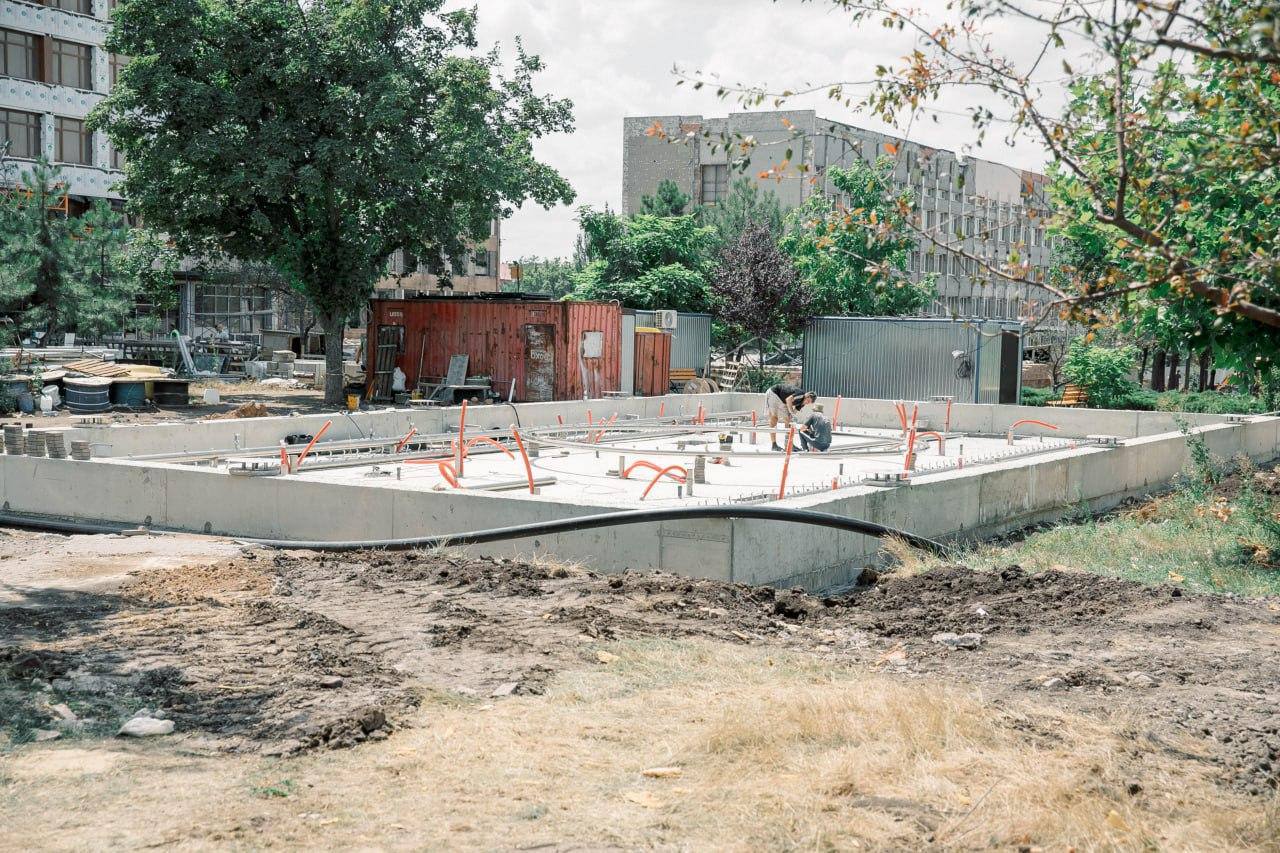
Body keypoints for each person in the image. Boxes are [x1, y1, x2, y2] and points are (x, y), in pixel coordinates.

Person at [764, 382, 804, 451]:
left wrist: (791, 416)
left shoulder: (803, 403)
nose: (807, 403)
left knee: (788, 419)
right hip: (774, 393)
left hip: (783, 400)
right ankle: (774, 445)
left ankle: (789, 444)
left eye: (809, 402)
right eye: (808, 401)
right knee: (774, 418)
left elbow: (793, 413)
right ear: (807, 396)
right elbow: (788, 400)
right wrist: (791, 412)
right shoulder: (800, 394)